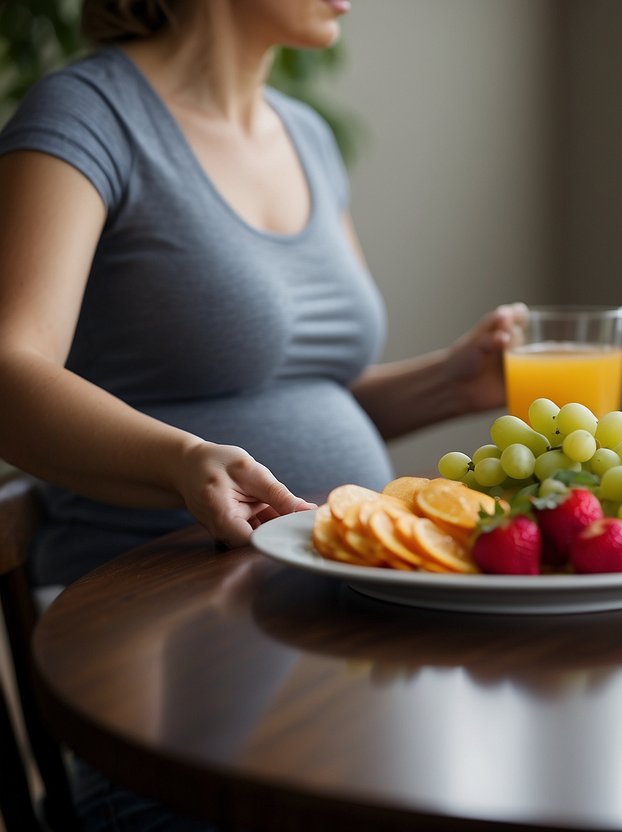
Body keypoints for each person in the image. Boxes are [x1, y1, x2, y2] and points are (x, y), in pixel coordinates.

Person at [0, 0, 525, 593]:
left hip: (335, 576)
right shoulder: (88, 116)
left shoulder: (308, 137)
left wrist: (451, 384)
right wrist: (180, 461)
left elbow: (295, 392)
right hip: (151, 594)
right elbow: (8, 374)